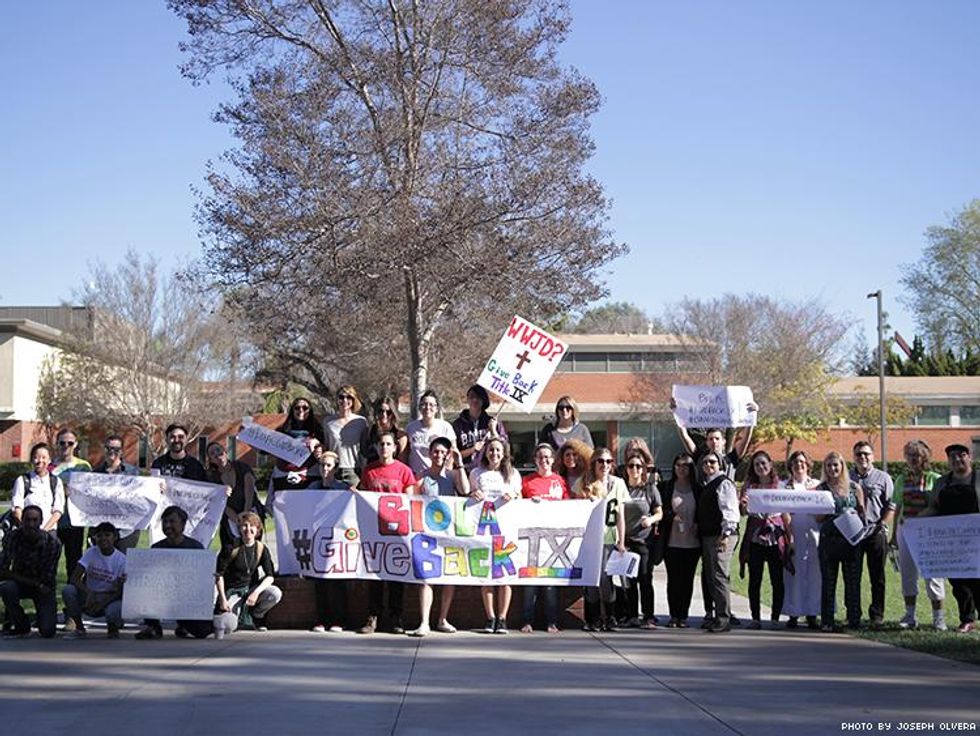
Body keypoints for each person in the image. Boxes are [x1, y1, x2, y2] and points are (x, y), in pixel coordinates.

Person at [409, 437, 470, 637]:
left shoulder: (452, 476)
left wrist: (459, 461)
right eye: (436, 451)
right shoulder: (421, 477)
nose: (439, 455)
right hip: (426, 533)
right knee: (427, 578)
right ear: (430, 453)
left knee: (447, 577)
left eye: (443, 452)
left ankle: (443, 618)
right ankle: (424, 621)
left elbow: (465, 490)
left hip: (448, 533)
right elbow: (410, 498)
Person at [358, 432, 416, 634]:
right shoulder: (369, 471)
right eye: (381, 444)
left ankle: (396, 617)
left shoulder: (404, 471)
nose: (384, 447)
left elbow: (409, 501)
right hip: (374, 531)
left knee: (396, 575)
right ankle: (373, 616)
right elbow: (362, 497)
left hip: (396, 531)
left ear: (394, 448)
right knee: (374, 576)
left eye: (388, 444)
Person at [922, 444, 980, 634]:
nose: (957, 460)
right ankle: (967, 619)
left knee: (978, 581)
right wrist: (914, 521)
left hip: (976, 540)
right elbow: (933, 507)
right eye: (952, 457)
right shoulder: (942, 483)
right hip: (951, 542)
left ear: (969, 457)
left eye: (961, 455)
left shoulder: (978, 479)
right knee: (958, 582)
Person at [135, 506, 213, 640]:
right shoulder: (156, 548)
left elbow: (202, 580)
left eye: (172, 522)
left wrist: (210, 577)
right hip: (162, 596)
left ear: (183, 524)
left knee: (203, 632)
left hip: (186, 599)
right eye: (164, 522)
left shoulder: (196, 548)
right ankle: (153, 626)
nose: (167, 525)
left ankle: (183, 623)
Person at [892, 440, 946, 631]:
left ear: (925, 457)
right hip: (906, 530)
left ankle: (938, 618)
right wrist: (893, 535)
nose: (913, 459)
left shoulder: (935, 479)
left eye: (917, 455)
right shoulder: (901, 479)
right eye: (910, 455)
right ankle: (910, 615)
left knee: (933, 574)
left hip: (928, 532)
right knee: (908, 574)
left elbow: (938, 506)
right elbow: (898, 506)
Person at [469, 437, 522, 634]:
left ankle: (503, 618)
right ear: (486, 452)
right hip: (483, 531)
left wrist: (514, 496)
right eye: (491, 450)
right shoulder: (476, 473)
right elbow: (469, 494)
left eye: (498, 450)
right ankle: (490, 617)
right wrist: (474, 493)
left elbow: (519, 496)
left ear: (504, 453)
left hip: (505, 531)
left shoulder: (513, 474)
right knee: (487, 576)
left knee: (505, 576)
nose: (494, 454)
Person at [573, 447, 627, 632]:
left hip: (609, 537)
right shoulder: (584, 482)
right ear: (594, 463)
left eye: (608, 461)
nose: (605, 465)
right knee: (591, 578)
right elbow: (574, 508)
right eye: (601, 461)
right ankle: (593, 618)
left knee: (607, 578)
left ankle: (610, 617)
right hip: (589, 538)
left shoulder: (618, 483)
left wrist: (621, 541)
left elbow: (620, 515)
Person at [520, 443, 570, 633]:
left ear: (553, 459)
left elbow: (568, 507)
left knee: (550, 584)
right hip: (531, 540)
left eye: (548, 457)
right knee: (529, 584)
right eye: (541, 457)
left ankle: (552, 621)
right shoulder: (527, 481)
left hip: (553, 541)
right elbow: (517, 505)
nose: (545, 460)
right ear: (535, 460)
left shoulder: (560, 481)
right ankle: (527, 620)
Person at [816, 451, 866, 632]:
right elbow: (818, 518)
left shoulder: (855, 487)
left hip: (852, 540)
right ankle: (827, 620)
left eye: (835, 465)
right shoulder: (820, 490)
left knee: (853, 581)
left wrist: (854, 516)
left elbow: (862, 513)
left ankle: (853, 619)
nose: (832, 469)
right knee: (829, 582)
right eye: (828, 465)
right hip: (829, 539)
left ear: (842, 466)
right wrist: (831, 511)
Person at [738, 450, 786, 629]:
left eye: (763, 463)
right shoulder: (750, 486)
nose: (761, 467)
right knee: (755, 580)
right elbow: (743, 513)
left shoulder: (780, 486)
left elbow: (786, 514)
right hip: (756, 538)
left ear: (770, 464)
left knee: (777, 580)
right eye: (757, 464)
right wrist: (742, 505)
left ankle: (775, 618)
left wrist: (791, 538)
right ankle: (755, 618)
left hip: (775, 538)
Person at [850, 441, 895, 629]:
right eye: (859, 454)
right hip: (853, 533)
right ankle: (854, 614)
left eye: (866, 454)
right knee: (853, 576)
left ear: (873, 456)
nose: (863, 457)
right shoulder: (848, 478)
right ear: (854, 457)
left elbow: (891, 505)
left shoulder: (883, 478)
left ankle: (877, 616)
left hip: (875, 532)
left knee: (877, 576)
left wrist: (882, 524)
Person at [214, 512, 282, 636]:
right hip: (233, 592)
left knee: (275, 593)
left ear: (258, 529)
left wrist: (256, 592)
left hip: (251, 591)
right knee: (229, 625)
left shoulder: (261, 548)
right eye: (244, 526)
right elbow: (219, 575)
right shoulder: (231, 547)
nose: (248, 529)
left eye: (252, 526)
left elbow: (270, 576)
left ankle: (256, 615)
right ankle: (238, 614)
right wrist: (223, 599)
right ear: (239, 528)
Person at [0, 505, 61, 638]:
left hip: (43, 587)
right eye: (27, 520)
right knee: (6, 588)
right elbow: (3, 568)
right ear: (22, 520)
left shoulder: (52, 543)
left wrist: (14, 575)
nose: (31, 524)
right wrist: (29, 581)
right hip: (21, 584)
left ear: (41, 521)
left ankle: (42, 617)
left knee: (47, 631)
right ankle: (21, 623)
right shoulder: (13, 538)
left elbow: (47, 578)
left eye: (35, 520)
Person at [696, 451, 740, 633]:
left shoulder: (723, 483)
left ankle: (723, 618)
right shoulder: (707, 484)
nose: (708, 465)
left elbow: (730, 511)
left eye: (712, 462)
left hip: (721, 536)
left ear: (720, 464)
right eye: (705, 462)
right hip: (708, 536)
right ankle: (718, 615)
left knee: (720, 576)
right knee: (712, 576)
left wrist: (726, 534)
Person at [308, 451, 351, 633]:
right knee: (320, 582)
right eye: (322, 465)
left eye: (329, 465)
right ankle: (321, 619)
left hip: (337, 541)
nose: (325, 469)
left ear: (335, 469)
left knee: (337, 582)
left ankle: (339, 620)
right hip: (317, 539)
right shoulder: (311, 489)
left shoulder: (343, 489)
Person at [61, 522, 126, 639]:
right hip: (90, 594)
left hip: (110, 597)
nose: (103, 539)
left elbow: (120, 591)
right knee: (68, 590)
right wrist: (88, 592)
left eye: (107, 535)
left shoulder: (122, 560)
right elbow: (74, 578)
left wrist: (102, 603)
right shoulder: (91, 552)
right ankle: (79, 628)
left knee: (115, 610)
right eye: (99, 535)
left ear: (115, 537)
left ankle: (113, 627)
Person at [780, 450, 822, 630]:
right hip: (794, 532)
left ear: (808, 464)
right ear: (791, 465)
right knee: (794, 574)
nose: (799, 465)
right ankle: (794, 613)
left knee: (814, 574)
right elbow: (784, 512)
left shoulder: (817, 485)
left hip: (814, 533)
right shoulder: (785, 486)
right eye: (796, 462)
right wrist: (789, 538)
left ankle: (812, 613)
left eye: (802, 462)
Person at [621, 450, 662, 629]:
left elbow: (659, 512)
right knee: (628, 581)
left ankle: (648, 616)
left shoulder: (649, 489)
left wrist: (650, 520)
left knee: (645, 579)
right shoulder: (622, 488)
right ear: (626, 469)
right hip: (626, 542)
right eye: (631, 466)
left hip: (644, 542)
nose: (635, 469)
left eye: (638, 466)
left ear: (643, 469)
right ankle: (631, 616)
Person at [661, 454, 700, 628]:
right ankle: (673, 615)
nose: (681, 468)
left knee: (687, 580)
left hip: (692, 542)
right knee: (674, 580)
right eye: (678, 465)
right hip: (672, 541)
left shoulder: (698, 488)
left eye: (686, 465)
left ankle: (683, 615)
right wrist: (671, 516)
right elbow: (661, 509)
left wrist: (698, 524)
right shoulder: (667, 487)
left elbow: (704, 511)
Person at [51, 427, 92, 584]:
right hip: (54, 523)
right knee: (50, 563)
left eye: (70, 443)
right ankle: (48, 603)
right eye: (62, 443)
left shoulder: (83, 466)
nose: (66, 446)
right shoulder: (50, 467)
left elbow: (91, 491)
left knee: (73, 564)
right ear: (57, 444)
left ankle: (72, 602)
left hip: (74, 523)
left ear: (75, 445)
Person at [205, 441, 260, 549]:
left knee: (252, 548)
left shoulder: (241, 467)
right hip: (230, 517)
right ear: (211, 460)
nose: (217, 453)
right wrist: (235, 518)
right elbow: (218, 501)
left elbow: (249, 491)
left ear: (225, 452)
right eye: (212, 453)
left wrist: (245, 515)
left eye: (218, 449)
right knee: (230, 551)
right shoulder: (212, 477)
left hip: (251, 511)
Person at [92, 434, 141, 552]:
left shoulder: (132, 472)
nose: (112, 451)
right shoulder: (95, 473)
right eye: (109, 448)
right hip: (102, 529)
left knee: (123, 566)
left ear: (122, 451)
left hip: (126, 530)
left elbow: (141, 495)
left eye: (116, 449)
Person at [270, 397, 324, 492]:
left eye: (305, 408)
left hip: (309, 476)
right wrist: (247, 434)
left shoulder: (318, 431)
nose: (301, 410)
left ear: (310, 411)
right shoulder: (281, 431)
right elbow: (264, 449)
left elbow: (327, 450)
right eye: (297, 408)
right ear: (292, 410)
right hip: (283, 476)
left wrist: (319, 444)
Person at [452, 384, 508, 472]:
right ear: (467, 399)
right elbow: (452, 454)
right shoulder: (458, 424)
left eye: (478, 397)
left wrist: (493, 431)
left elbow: (505, 449)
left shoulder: (493, 423)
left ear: (483, 400)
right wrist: (472, 450)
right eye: (471, 397)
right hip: (464, 471)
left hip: (487, 472)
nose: (474, 400)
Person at [323, 385, 371, 488]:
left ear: (354, 400)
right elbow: (326, 447)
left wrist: (364, 471)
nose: (345, 400)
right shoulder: (328, 422)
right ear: (337, 400)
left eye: (349, 397)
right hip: (333, 469)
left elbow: (364, 449)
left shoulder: (361, 422)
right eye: (341, 397)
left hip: (353, 470)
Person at [11, 442, 64, 532]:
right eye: (36, 457)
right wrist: (26, 529)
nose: (40, 461)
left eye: (44, 457)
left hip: (48, 532)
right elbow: (17, 508)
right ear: (32, 460)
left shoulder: (56, 482)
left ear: (49, 460)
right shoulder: (23, 480)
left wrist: (43, 531)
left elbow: (58, 511)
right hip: (26, 532)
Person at [404, 390, 458, 476]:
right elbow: (405, 453)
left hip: (439, 475)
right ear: (420, 408)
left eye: (431, 405)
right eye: (424, 404)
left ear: (436, 408)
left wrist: (447, 470)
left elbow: (453, 451)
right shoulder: (411, 428)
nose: (427, 407)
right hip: (416, 475)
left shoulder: (445, 427)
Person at [366, 395, 408, 464]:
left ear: (393, 414)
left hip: (391, 473)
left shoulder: (400, 435)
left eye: (388, 412)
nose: (384, 415)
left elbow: (402, 464)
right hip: (372, 472)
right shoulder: (370, 431)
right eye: (381, 411)